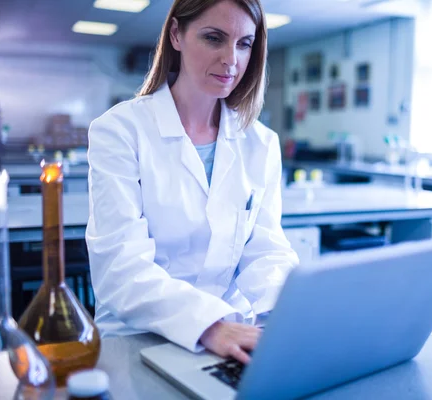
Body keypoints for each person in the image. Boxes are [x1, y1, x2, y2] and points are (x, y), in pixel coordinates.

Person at [85, 0, 298, 365]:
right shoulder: (120, 131)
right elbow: (121, 269)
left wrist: (291, 315)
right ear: (176, 35)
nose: (231, 59)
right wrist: (209, 326)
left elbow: (268, 252)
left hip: (230, 336)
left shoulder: (260, 143)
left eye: (244, 44)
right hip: (138, 340)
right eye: (214, 38)